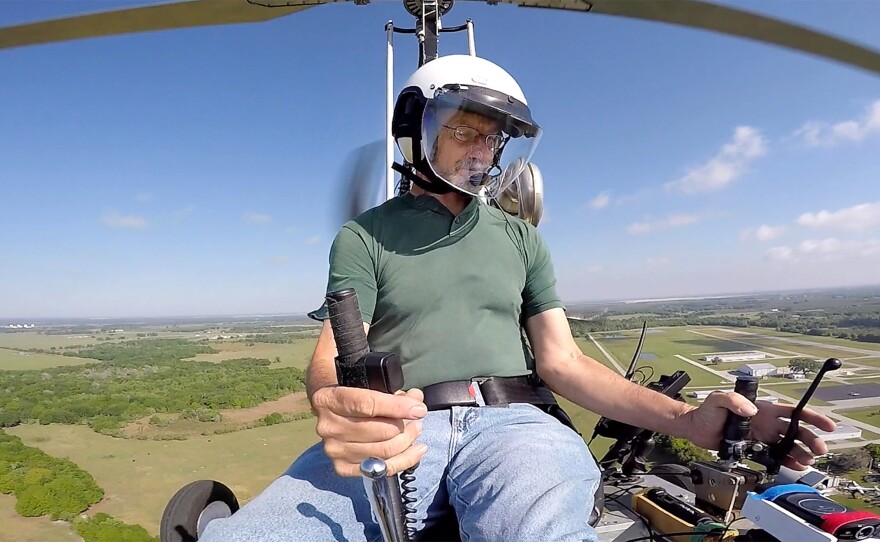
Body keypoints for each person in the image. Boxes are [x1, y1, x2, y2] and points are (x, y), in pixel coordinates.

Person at [199, 55, 836, 542]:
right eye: (465, 132)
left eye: (493, 139)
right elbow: (332, 354)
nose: (482, 151)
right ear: (419, 134)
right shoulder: (365, 235)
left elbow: (562, 363)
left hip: (514, 424)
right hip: (394, 428)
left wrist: (688, 420)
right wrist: (335, 404)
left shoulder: (521, 239)